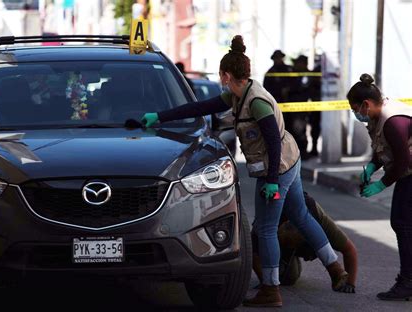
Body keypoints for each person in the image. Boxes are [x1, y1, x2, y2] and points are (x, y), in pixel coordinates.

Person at [141, 35, 348, 307]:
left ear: (226, 75)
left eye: (221, 74)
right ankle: (336, 270)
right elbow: (201, 107)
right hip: (289, 160)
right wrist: (161, 116)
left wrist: (272, 181)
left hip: (279, 166)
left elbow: (273, 142)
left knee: (266, 228)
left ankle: (270, 290)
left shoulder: (256, 102)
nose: (220, 79)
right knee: (300, 215)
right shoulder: (240, 94)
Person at [347, 73, 412, 301]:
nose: (355, 114)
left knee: (403, 224)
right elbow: (382, 146)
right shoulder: (377, 116)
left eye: (355, 109)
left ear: (365, 105)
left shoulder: (393, 120)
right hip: (408, 172)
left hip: (409, 171)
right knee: (405, 224)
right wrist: (373, 166)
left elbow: (403, 161)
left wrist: (380, 185)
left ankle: (408, 283)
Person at [251, 192, 358, 292]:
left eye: (293, 245)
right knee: (288, 278)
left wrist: (350, 284)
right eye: (288, 245)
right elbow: (252, 252)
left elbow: (349, 250)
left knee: (289, 277)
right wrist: (266, 282)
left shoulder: (319, 220)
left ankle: (333, 268)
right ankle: (281, 261)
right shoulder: (266, 225)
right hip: (276, 234)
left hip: (301, 210)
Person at [285, 55, 311, 159]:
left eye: (298, 63)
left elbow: (302, 88)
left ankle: (302, 153)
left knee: (300, 131)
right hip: (290, 108)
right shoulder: (293, 74)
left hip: (300, 108)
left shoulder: (306, 75)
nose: (296, 65)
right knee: (291, 131)